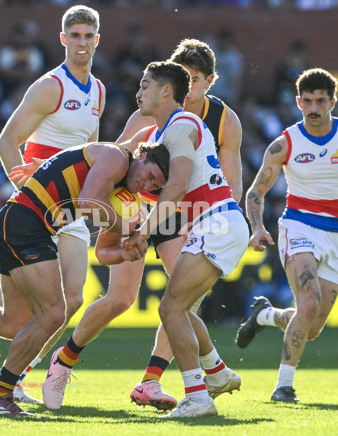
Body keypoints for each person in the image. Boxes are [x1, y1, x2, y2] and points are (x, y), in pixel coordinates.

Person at [27, 39, 243, 412]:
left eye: (195, 79)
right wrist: (53, 169)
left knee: (179, 303)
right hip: (144, 208)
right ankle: (65, 361)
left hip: (184, 214)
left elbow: (216, 182)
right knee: (123, 299)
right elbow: (116, 154)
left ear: (208, 82)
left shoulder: (214, 119)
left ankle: (158, 381)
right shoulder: (153, 122)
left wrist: (214, 222)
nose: (189, 86)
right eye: (184, 77)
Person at [0, 141, 170, 418]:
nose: (146, 184)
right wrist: (131, 230)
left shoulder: (120, 182)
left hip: (21, 222)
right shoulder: (117, 158)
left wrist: (128, 252)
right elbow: (87, 203)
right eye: (149, 175)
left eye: (154, 185)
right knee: (52, 314)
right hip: (27, 224)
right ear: (142, 155)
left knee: (13, 323)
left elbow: (103, 253)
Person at [0, 5, 105, 404]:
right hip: (41, 209)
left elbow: (93, 152)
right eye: (75, 36)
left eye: (88, 36)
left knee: (73, 299)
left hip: (73, 210)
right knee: (51, 305)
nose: (82, 43)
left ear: (97, 40)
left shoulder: (97, 89)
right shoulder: (51, 86)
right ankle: (16, 380)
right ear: (63, 39)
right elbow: (6, 142)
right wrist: (31, 191)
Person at [236, 68, 338, 403]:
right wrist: (259, 227)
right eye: (307, 100)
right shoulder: (286, 143)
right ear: (298, 102)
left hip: (337, 235)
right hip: (298, 227)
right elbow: (256, 192)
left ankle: (264, 315)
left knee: (314, 326)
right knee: (307, 302)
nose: (313, 107)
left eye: (320, 100)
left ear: (333, 102)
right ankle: (284, 386)